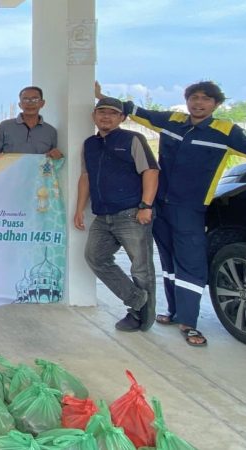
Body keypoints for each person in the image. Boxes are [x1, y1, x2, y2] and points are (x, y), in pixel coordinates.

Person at [95, 80, 246, 346]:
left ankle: (189, 322)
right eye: (194, 98)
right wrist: (102, 96)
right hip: (160, 205)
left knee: (190, 263)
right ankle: (173, 312)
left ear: (216, 104)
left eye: (206, 99)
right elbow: (136, 110)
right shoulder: (173, 120)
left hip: (191, 208)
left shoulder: (225, 130)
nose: (199, 103)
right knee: (168, 262)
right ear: (187, 100)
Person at [73, 97, 159, 332]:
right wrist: (79, 208)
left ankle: (142, 318)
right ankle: (137, 300)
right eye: (102, 112)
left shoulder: (133, 140)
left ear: (121, 118)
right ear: (94, 116)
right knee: (95, 257)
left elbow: (150, 171)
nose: (106, 117)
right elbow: (86, 177)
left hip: (132, 213)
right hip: (103, 215)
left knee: (141, 267)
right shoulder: (89, 144)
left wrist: (146, 205)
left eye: (112, 113)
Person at [0, 86, 64, 159]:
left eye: (35, 99)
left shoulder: (51, 131)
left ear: (42, 103)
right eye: (25, 100)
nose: (30, 103)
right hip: (11, 171)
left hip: (37, 171)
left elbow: (53, 160)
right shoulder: (5, 126)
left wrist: (57, 156)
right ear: (20, 105)